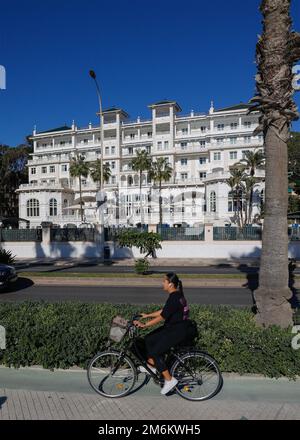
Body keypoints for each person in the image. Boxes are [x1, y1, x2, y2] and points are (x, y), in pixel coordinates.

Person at [133, 272, 195, 396]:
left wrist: (144, 324)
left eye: (164, 281)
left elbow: (162, 316)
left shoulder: (174, 297)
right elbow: (165, 310)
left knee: (156, 351)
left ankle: (169, 380)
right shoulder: (176, 295)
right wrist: (147, 315)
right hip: (174, 328)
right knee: (149, 339)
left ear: (170, 284)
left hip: (177, 332)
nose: (162, 283)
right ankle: (152, 366)